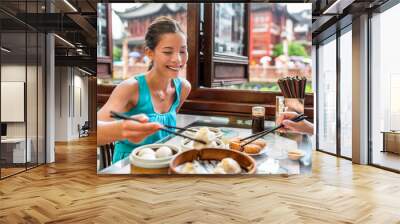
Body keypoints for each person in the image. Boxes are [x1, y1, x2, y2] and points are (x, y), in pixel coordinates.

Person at [97, 16, 191, 163]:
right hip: (127, 165)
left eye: (183, 51)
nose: (178, 59)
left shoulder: (183, 88)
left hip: (163, 162)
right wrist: (122, 129)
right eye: (168, 52)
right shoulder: (130, 87)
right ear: (149, 53)